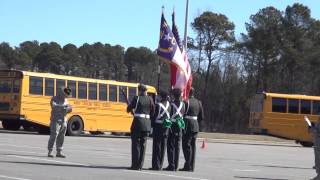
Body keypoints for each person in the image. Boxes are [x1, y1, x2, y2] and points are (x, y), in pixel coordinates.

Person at [127, 84, 155, 170]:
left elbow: (129, 109)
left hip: (138, 124)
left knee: (136, 145)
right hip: (146, 124)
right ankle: (140, 165)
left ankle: (135, 165)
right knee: (143, 145)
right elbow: (153, 112)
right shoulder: (150, 99)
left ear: (139, 90)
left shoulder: (137, 98)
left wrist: (131, 109)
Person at [180, 87, 204, 172]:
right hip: (195, 125)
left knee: (186, 145)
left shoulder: (186, 102)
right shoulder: (199, 102)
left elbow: (182, 114)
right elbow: (201, 117)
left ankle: (188, 165)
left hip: (188, 125)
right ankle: (191, 166)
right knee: (193, 146)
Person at [47, 87, 72, 158]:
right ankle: (50, 151)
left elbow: (68, 108)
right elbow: (54, 106)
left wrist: (69, 109)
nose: (66, 97)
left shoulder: (66, 100)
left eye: (67, 96)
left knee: (61, 136)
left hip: (64, 120)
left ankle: (59, 151)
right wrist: (62, 107)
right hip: (56, 120)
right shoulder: (54, 98)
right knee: (54, 135)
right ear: (62, 93)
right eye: (65, 95)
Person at [164, 88, 185, 171]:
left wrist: (166, 128)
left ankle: (171, 165)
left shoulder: (171, 104)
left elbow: (168, 116)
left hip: (172, 125)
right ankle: (176, 165)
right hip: (180, 125)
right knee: (177, 146)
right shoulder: (183, 104)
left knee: (171, 146)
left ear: (173, 95)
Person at [149, 90, 171, 170]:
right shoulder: (169, 105)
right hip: (166, 127)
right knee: (163, 146)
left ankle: (156, 165)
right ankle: (160, 164)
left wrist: (151, 125)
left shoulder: (158, 105)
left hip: (158, 127)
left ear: (161, 96)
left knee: (157, 147)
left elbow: (154, 117)